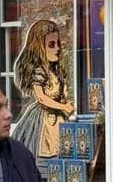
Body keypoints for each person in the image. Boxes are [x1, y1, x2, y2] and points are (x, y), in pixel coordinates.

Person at [11, 19, 75, 163]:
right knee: (45, 155)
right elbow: (42, 98)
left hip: (58, 118)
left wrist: (65, 103)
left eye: (58, 43)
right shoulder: (39, 72)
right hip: (44, 120)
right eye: (51, 45)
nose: (57, 48)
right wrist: (64, 107)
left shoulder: (55, 71)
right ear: (39, 48)